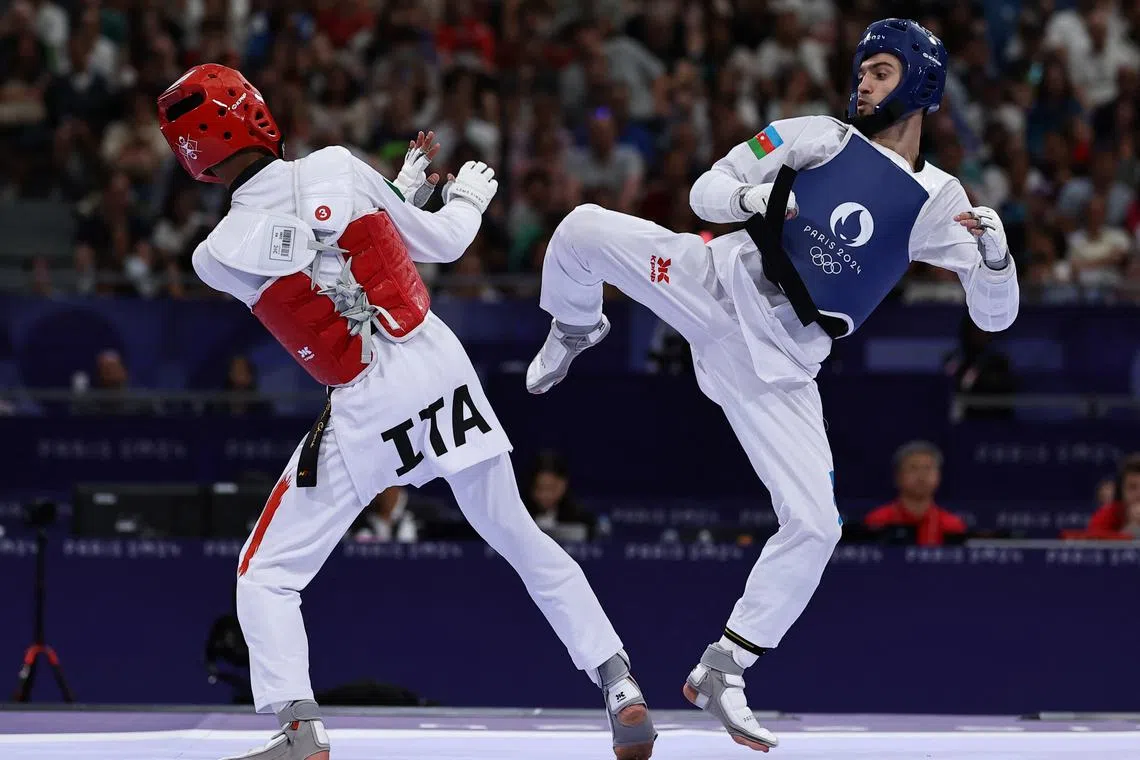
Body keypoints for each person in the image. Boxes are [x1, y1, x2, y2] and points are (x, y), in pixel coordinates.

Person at [526, 19, 1019, 751]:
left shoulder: (938, 200)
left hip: (780, 366)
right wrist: (748, 202)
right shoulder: (814, 135)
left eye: (880, 72)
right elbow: (707, 189)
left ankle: (723, 668)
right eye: (862, 71)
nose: (863, 83)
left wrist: (998, 260)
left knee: (817, 526)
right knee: (580, 229)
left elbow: (995, 317)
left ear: (919, 84)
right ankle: (575, 327)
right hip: (712, 284)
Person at [156, 64, 655, 760]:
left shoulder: (214, 256)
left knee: (266, 571)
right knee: (518, 536)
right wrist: (463, 200)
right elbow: (436, 243)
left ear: (196, 160)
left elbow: (311, 263)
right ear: (256, 116)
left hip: (367, 398)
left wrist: (395, 196)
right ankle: (619, 684)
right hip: (439, 364)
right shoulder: (337, 165)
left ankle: (300, 729)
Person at [863, 441, 967, 546]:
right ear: (898, 476)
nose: (921, 476)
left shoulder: (952, 525)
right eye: (913, 468)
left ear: (938, 476)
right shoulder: (878, 521)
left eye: (928, 468)